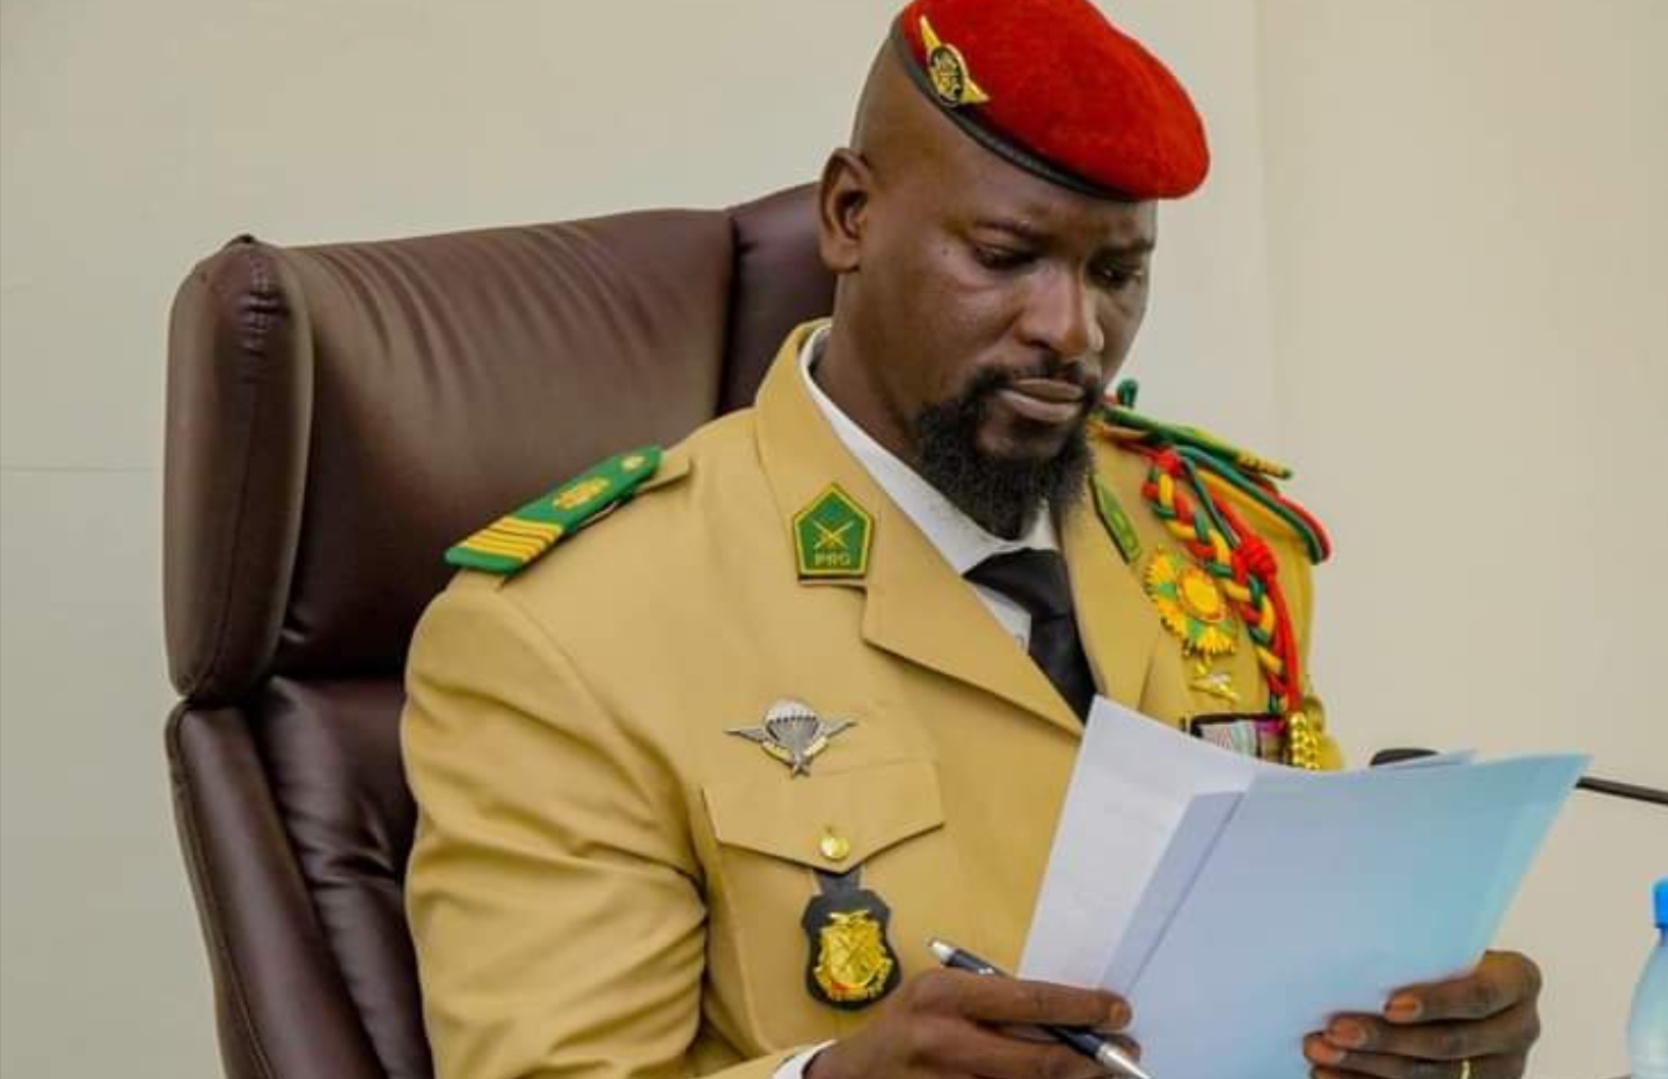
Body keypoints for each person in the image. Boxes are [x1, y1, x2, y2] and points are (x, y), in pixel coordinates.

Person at [402, 1, 1544, 1076]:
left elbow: (1291, 981)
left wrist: (1418, 1036)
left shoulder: (1214, 540)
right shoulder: (575, 632)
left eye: (1116, 273)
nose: (1071, 330)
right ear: (849, 215)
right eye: (1004, 258)